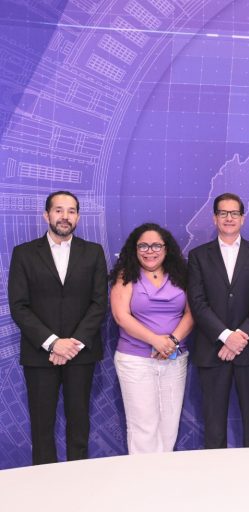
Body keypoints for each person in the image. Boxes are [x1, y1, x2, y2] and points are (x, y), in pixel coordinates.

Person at [8, 191, 107, 464]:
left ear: (77, 216)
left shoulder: (93, 252)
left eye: (72, 211)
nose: (65, 216)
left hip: (80, 354)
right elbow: (19, 306)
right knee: (42, 428)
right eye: (59, 210)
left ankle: (78, 487)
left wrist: (72, 344)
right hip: (40, 355)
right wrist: (53, 343)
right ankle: (46, 492)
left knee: (79, 424)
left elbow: (99, 303)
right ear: (46, 215)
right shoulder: (24, 253)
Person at [188, 192, 249, 448]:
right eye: (223, 213)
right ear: (215, 218)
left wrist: (241, 336)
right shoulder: (198, 256)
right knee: (214, 423)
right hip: (213, 350)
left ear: (243, 218)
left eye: (234, 213)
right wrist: (226, 336)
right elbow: (198, 302)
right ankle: (216, 481)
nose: (229, 218)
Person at [109, 223, 193, 454]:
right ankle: (142, 484)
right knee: (143, 427)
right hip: (135, 360)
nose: (150, 251)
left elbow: (192, 313)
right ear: (134, 249)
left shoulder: (181, 275)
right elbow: (120, 315)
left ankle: (162, 483)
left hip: (174, 359)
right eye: (143, 246)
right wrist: (156, 341)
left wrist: (172, 342)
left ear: (166, 249)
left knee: (169, 426)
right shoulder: (126, 275)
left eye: (156, 245)